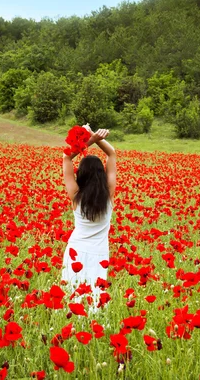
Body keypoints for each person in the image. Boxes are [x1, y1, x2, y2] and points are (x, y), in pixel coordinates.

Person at [61, 125, 116, 310]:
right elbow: (112, 154)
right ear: (102, 175)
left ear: (80, 175)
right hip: (99, 253)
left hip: (75, 250)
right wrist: (97, 137)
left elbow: (66, 156)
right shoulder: (108, 196)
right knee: (96, 295)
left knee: (73, 294)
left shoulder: (76, 195)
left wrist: (88, 141)